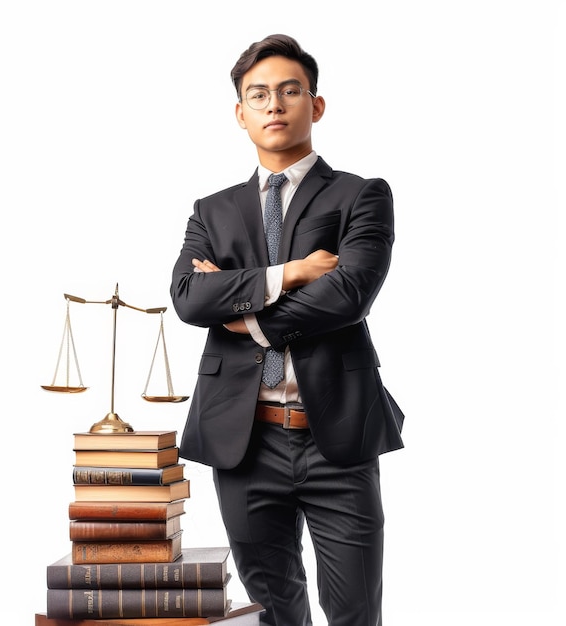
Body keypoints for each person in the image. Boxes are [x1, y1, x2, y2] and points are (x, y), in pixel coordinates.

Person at [170, 34, 404, 626]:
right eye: (259, 94)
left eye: (289, 91)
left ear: (315, 105)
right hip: (245, 441)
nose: (274, 104)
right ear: (240, 113)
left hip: (339, 439)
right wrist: (292, 273)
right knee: (271, 611)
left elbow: (349, 295)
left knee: (355, 612)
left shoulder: (360, 195)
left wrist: (243, 313)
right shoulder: (211, 211)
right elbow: (189, 297)